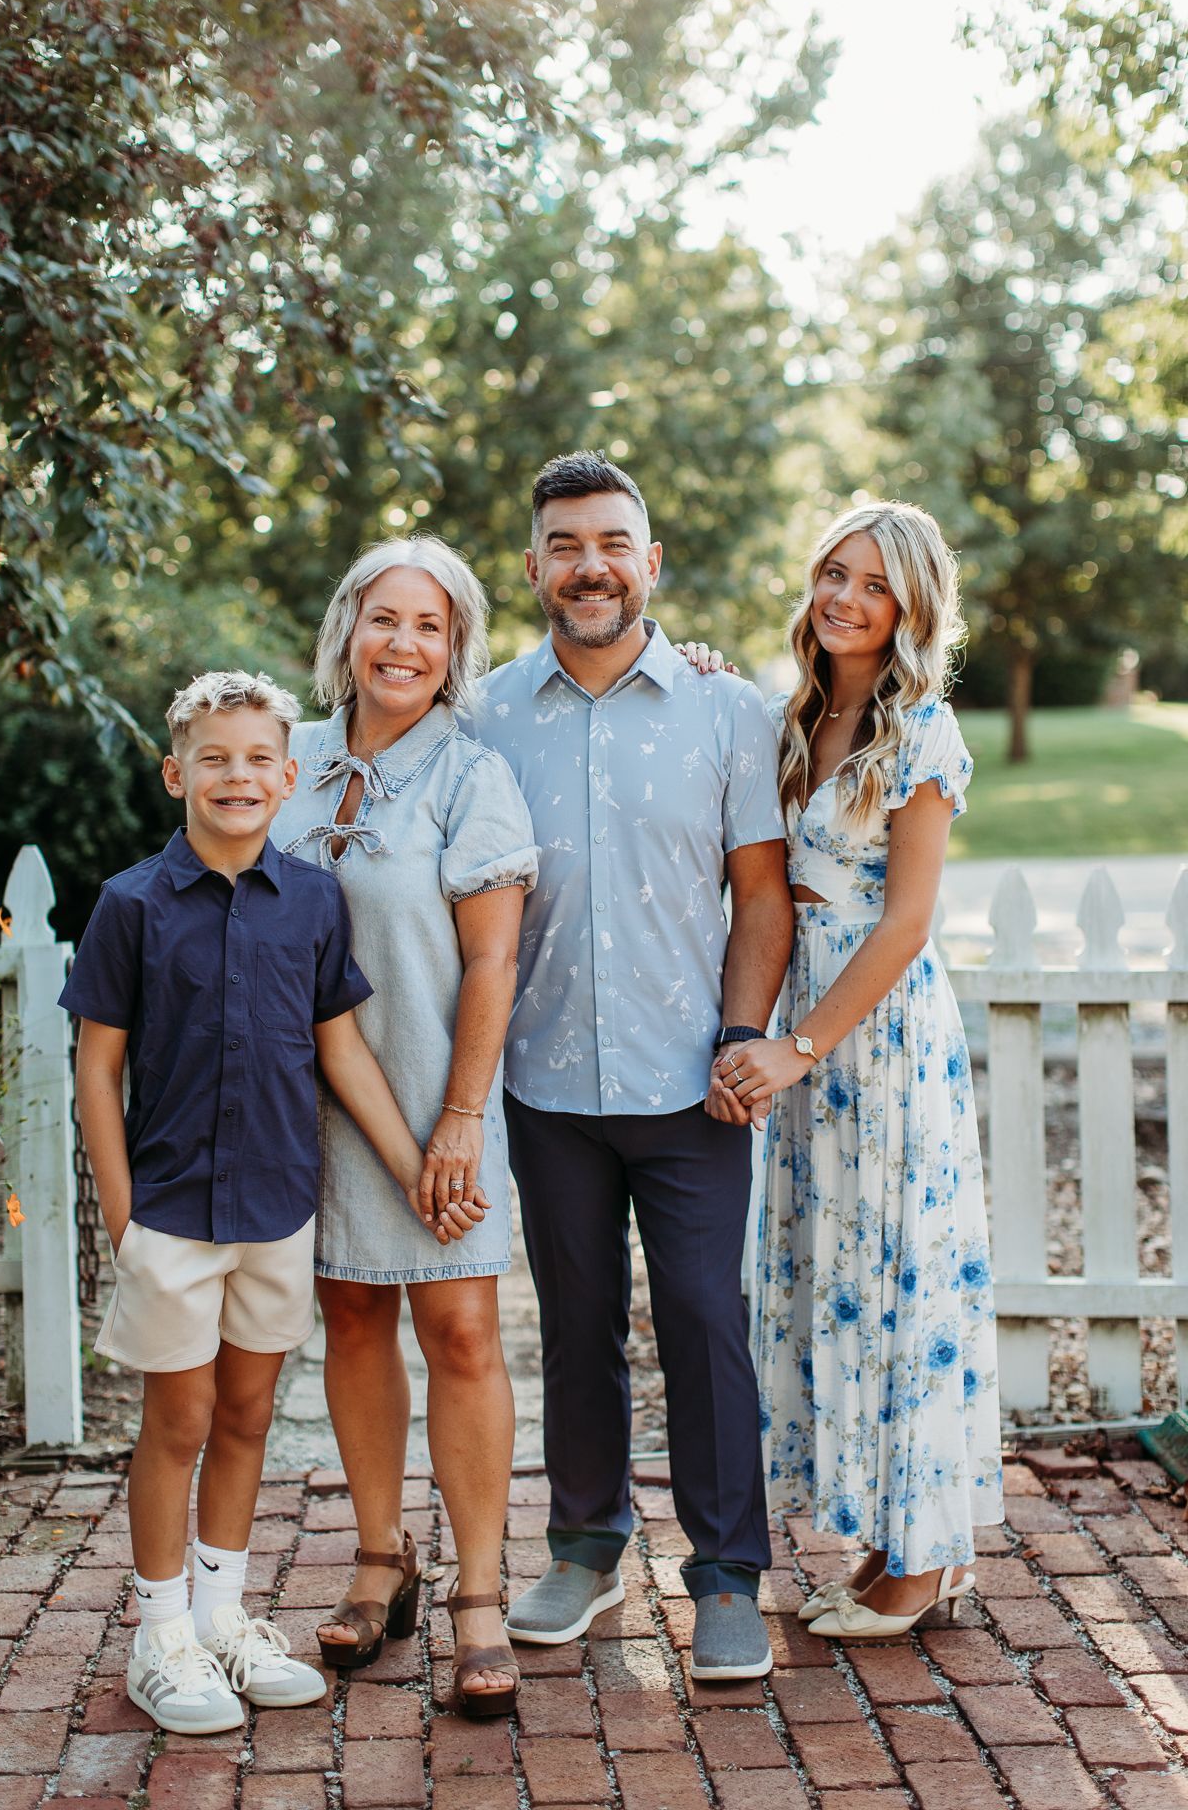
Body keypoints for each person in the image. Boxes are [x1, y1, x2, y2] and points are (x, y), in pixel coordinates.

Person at [65, 670, 472, 1734]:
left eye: (257, 760)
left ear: (289, 777)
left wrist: (412, 1166)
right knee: (180, 1416)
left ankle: (219, 1620)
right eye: (214, 758)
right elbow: (95, 1073)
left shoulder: (313, 901)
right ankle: (157, 1639)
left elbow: (339, 1048)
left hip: (276, 1208)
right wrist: (121, 1216)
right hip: (169, 1211)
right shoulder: (130, 907)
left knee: (246, 1415)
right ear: (175, 773)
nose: (237, 776)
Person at [471, 450, 793, 1680]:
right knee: (575, 1323)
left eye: (612, 542)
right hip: (543, 1081)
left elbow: (761, 899)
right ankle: (585, 1547)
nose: (589, 564)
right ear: (535, 565)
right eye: (564, 544)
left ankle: (722, 1574)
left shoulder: (727, 711)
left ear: (650, 563)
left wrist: (738, 1033)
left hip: (690, 1080)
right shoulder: (486, 711)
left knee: (706, 1321)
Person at [713, 501, 1003, 1637]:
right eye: (833, 572)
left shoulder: (919, 730)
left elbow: (905, 923)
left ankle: (923, 1561)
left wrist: (793, 1049)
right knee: (840, 1273)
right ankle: (895, 1542)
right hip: (800, 1033)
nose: (843, 597)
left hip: (871, 1038)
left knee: (899, 1279)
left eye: (872, 586)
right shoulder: (790, 716)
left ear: (909, 609)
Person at [274, 538, 538, 1717]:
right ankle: (382, 1557)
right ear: (347, 629)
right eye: (385, 619)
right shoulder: (287, 759)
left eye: (429, 627)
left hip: (436, 1099)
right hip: (302, 1105)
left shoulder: (467, 777)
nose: (404, 644)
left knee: (462, 1329)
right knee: (349, 1315)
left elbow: (492, 959)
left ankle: (478, 1592)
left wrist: (458, 1122)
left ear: (455, 648)